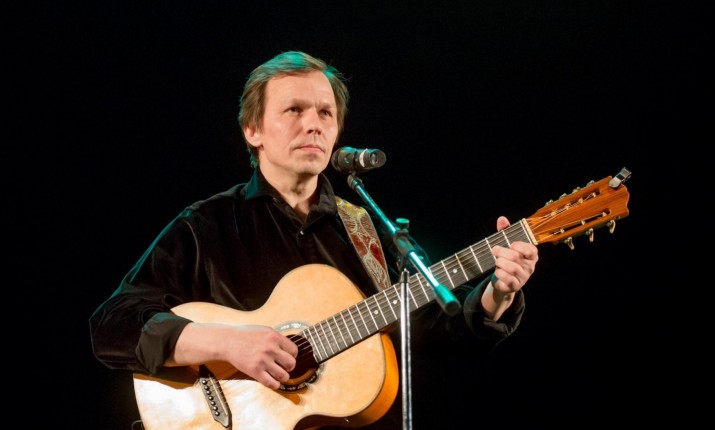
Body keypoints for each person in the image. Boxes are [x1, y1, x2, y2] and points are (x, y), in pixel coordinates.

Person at [89, 50, 539, 430]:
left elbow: (432, 327)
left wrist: (497, 294)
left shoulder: (365, 227)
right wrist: (227, 343)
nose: (314, 124)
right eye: (294, 110)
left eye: (326, 112)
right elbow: (112, 327)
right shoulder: (206, 224)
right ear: (253, 130)